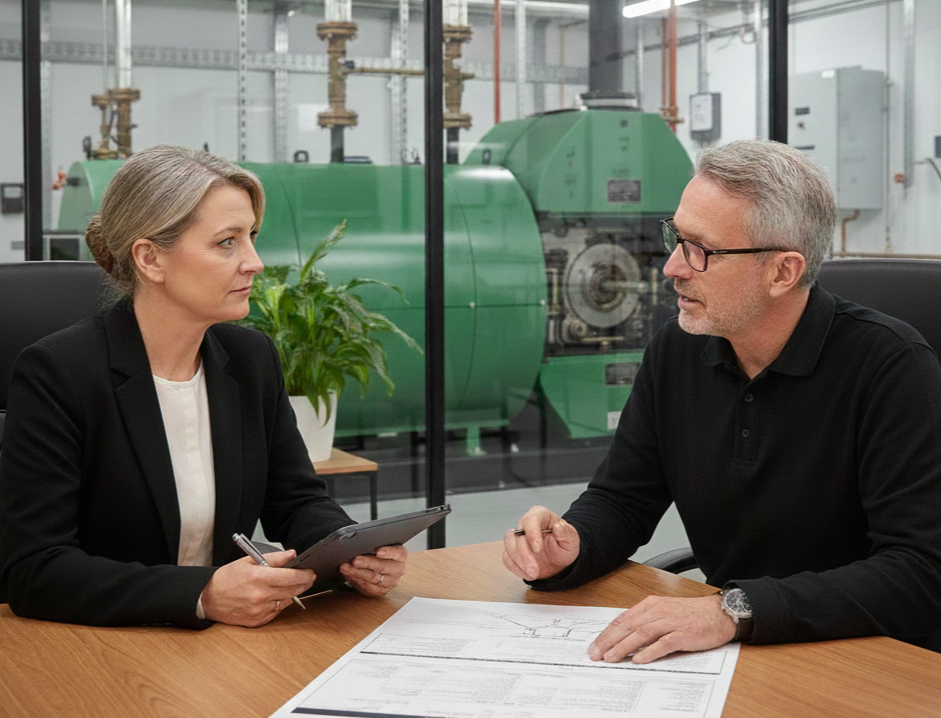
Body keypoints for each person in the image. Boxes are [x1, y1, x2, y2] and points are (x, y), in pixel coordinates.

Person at [504, 138, 941, 663]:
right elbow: (624, 497)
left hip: (863, 656)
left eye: (700, 250)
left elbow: (919, 571)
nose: (671, 267)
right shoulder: (677, 349)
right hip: (732, 652)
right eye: (675, 238)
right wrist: (571, 546)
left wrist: (733, 610)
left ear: (783, 271)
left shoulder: (891, 366)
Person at [0, 144, 406, 629]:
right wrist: (203, 594)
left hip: (222, 647)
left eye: (251, 236)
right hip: (105, 648)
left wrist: (351, 551)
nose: (254, 262)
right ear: (151, 259)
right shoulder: (59, 373)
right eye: (227, 242)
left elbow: (296, 500)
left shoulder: (250, 359)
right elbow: (35, 570)